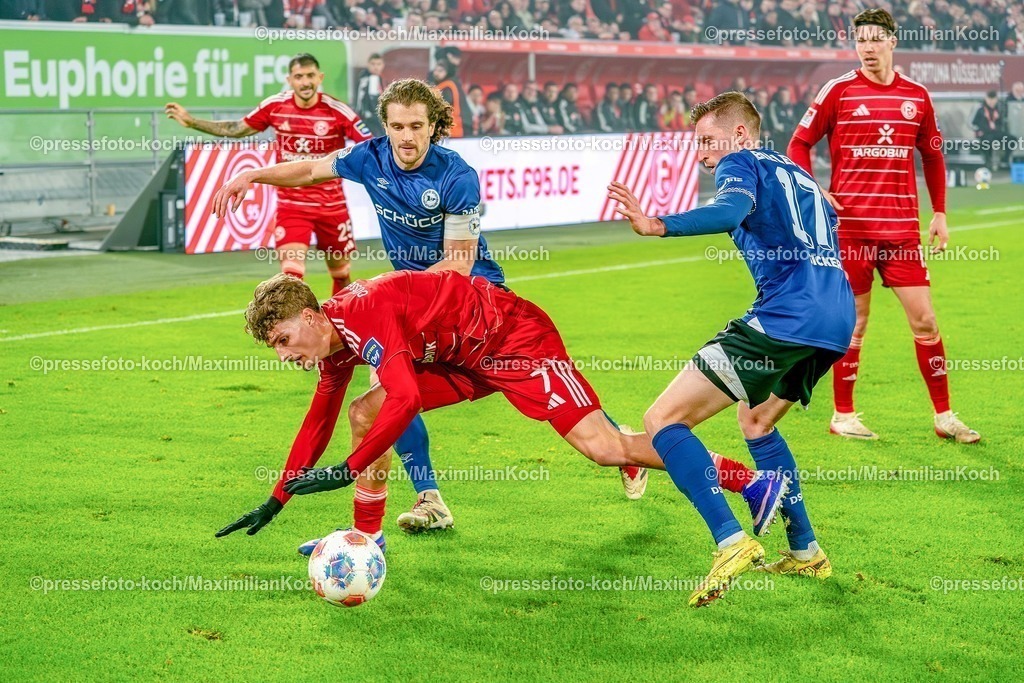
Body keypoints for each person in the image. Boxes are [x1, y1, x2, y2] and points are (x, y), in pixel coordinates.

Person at [209, 79, 663, 547]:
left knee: (393, 391)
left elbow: (460, 263)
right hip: (411, 305)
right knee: (376, 401)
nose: (407, 137)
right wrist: (252, 176)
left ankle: (619, 444)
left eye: (417, 126)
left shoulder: (455, 175)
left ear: (434, 127)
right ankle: (412, 510)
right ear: (384, 127)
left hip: (469, 299)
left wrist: (395, 294)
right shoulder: (369, 157)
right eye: (397, 126)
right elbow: (309, 171)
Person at [214, 269, 789, 551]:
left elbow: (408, 397)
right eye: (275, 347)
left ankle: (751, 482)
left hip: (513, 340)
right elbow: (317, 422)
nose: (284, 353)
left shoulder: (363, 312)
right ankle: (369, 542)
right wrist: (278, 497)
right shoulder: (333, 346)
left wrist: (344, 470)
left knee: (604, 449)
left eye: (284, 339)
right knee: (364, 413)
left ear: (312, 317)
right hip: (461, 359)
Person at [608, 91, 854, 607]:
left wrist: (659, 224)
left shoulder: (740, 162)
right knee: (757, 422)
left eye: (706, 141)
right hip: (836, 317)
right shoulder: (797, 172)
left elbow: (730, 210)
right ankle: (806, 549)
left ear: (740, 134)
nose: (701, 154)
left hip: (789, 315)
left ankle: (729, 539)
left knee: (662, 419)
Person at [787, 8, 980, 443]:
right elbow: (799, 143)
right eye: (861, 40)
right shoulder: (838, 91)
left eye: (876, 39)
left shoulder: (917, 96)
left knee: (926, 321)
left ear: (893, 41)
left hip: (901, 233)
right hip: (850, 232)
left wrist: (941, 213)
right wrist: (815, 190)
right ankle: (844, 414)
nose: (868, 48)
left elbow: (932, 155)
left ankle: (945, 416)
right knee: (853, 323)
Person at [165, 53, 371, 296]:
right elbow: (237, 129)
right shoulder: (275, 105)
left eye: (310, 76)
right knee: (291, 277)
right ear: (289, 80)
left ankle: (341, 328)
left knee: (342, 276)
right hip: (292, 206)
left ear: (320, 77)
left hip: (332, 207)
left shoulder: (338, 111)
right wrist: (193, 123)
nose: (305, 82)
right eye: (299, 77)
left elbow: (369, 146)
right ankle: (299, 330)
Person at [972, 90, 1007, 172]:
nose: (991, 102)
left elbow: (1002, 123)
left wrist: (998, 126)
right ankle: (988, 162)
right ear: (986, 99)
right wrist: (978, 130)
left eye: (993, 99)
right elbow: (972, 122)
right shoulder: (980, 109)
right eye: (989, 99)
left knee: (1011, 138)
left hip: (996, 132)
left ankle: (1004, 159)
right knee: (987, 141)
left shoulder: (999, 109)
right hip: (984, 133)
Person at [355, 53, 386, 137]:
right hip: (370, 118)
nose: (376, 67)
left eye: (378, 64)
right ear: (368, 65)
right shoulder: (370, 78)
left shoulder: (379, 78)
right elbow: (365, 98)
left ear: (383, 65)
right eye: (373, 64)